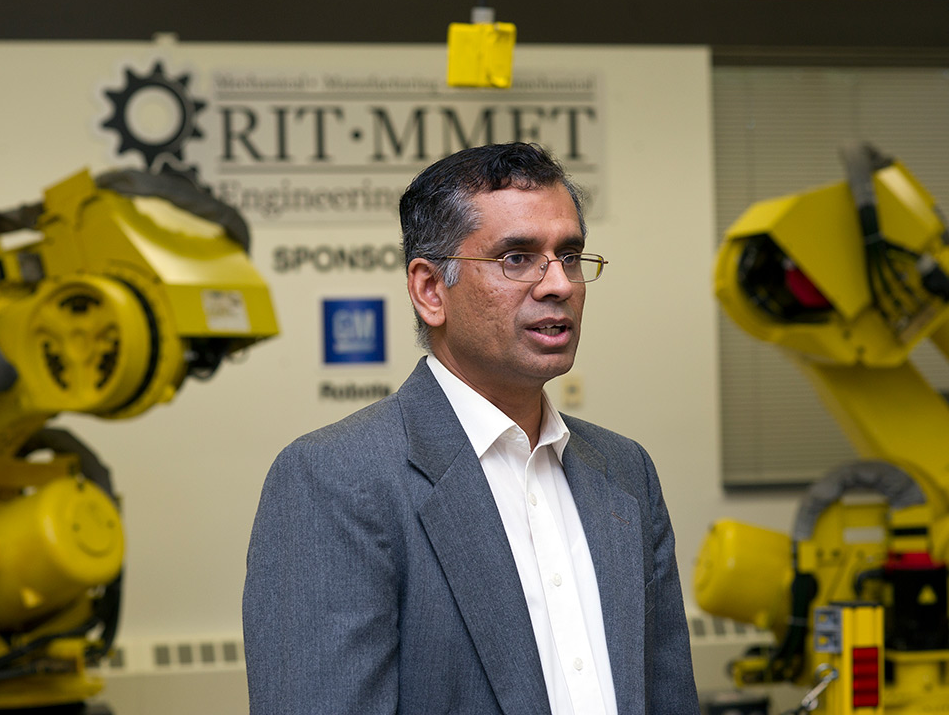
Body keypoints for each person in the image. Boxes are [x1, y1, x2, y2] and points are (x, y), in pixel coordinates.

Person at [243, 143, 698, 714]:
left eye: (571, 256)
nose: (558, 284)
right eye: (516, 258)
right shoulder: (336, 480)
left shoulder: (626, 472)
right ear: (431, 291)